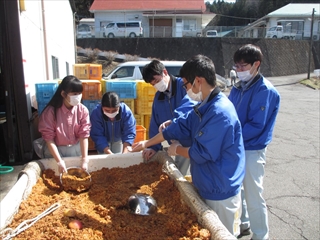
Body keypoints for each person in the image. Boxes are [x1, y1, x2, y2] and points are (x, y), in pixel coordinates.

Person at [131, 55, 245, 237]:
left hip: (220, 187)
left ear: (198, 81)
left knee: (223, 233)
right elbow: (179, 126)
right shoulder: (203, 106)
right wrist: (148, 142)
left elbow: (201, 153)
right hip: (207, 181)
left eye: (186, 84)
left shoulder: (220, 112)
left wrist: (177, 150)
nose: (186, 89)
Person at [228, 44, 280, 240]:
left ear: (256, 64)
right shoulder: (238, 87)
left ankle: (260, 235)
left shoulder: (264, 90)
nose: (239, 70)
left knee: (253, 194)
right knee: (238, 190)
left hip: (252, 148)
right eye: (237, 66)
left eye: (243, 66)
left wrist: (230, 137)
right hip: (237, 145)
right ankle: (244, 224)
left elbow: (257, 125)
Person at [141, 59, 197, 176]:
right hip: (173, 140)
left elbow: (189, 111)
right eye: (152, 84)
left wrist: (173, 123)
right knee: (178, 173)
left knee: (192, 172)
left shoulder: (184, 86)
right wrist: (153, 147)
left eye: (156, 80)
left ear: (165, 72)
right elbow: (154, 123)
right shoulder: (158, 97)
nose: (156, 85)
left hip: (190, 139)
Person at [37, 75, 91, 174]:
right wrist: (59, 161)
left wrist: (84, 159)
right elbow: (49, 139)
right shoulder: (50, 112)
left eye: (79, 93)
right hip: (55, 151)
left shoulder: (83, 110)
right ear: (63, 94)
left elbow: (84, 136)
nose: (78, 96)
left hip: (75, 149)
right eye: (74, 93)